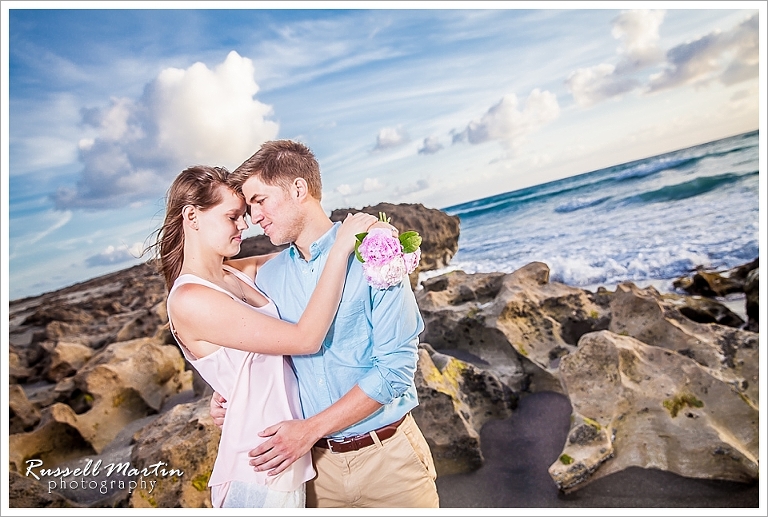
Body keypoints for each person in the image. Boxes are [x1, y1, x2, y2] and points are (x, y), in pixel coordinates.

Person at [210, 140, 440, 508]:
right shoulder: (267, 279)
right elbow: (270, 361)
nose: (254, 217)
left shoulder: (374, 252)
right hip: (314, 473)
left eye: (259, 200)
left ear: (298, 189)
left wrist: (309, 429)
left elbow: (395, 371)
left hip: (390, 463)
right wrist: (233, 397)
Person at [152, 164, 380, 508]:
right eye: (233, 216)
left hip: (286, 454)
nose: (244, 225)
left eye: (244, 215)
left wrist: (369, 237)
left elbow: (304, 254)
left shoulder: (238, 273)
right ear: (192, 216)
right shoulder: (189, 299)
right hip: (258, 465)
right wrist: (340, 250)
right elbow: (305, 340)